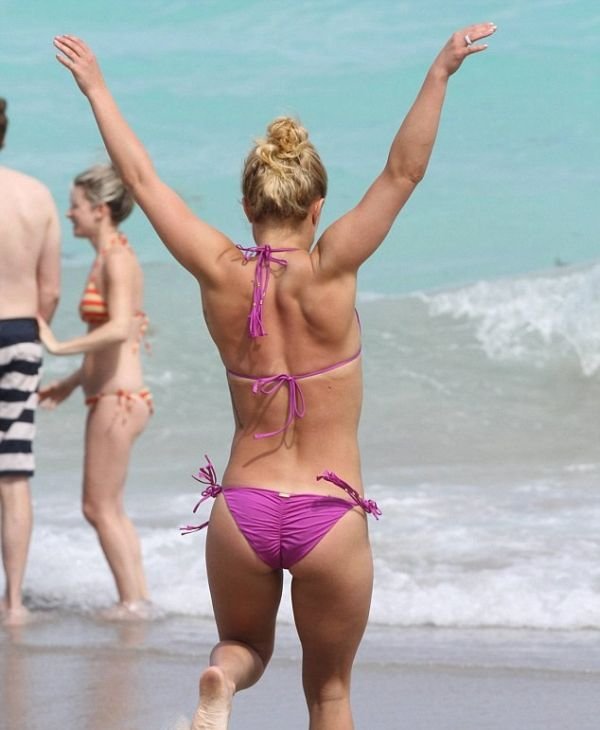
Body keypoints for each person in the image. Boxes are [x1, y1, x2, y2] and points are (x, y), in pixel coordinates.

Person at [53, 21, 496, 728]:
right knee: (329, 691)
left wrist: (96, 87)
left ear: (246, 208)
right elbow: (402, 173)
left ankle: (223, 681)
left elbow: (141, 180)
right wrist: (440, 71)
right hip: (328, 512)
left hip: (244, 508)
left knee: (243, 645)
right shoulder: (333, 266)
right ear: (317, 208)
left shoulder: (217, 269)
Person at [38, 162, 152, 620]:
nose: (69, 214)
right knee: (109, 507)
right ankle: (138, 600)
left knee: (97, 506)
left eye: (76, 206)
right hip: (113, 396)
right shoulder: (109, 255)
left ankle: (131, 602)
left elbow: (120, 328)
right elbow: (108, 338)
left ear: (100, 210)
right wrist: (70, 384)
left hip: (118, 400)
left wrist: (57, 346)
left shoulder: (117, 259)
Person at [0, 98, 61, 626]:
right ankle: (14, 602)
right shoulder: (36, 195)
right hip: (21, 334)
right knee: (13, 472)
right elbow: (51, 291)